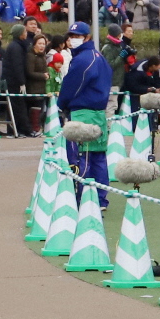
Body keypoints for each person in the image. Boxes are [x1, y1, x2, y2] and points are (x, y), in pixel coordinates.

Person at [58, 23, 113, 204]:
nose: (73, 39)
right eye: (71, 35)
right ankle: (101, 198)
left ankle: (86, 198)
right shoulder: (98, 57)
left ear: (87, 37)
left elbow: (71, 86)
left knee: (83, 157)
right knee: (98, 157)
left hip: (83, 113)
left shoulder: (83, 59)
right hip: (98, 112)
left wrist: (62, 104)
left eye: (77, 35)